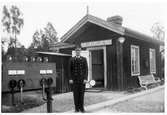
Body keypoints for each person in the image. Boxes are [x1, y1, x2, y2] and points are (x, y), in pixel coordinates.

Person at [68, 46, 88, 113]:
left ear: (80, 51)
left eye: (79, 50)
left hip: (82, 80)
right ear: (75, 52)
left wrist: (85, 78)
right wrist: (70, 78)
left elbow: (86, 70)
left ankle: (81, 108)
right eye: (76, 50)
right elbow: (69, 70)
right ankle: (76, 108)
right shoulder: (71, 59)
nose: (78, 52)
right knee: (75, 94)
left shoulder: (84, 59)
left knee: (81, 94)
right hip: (74, 80)